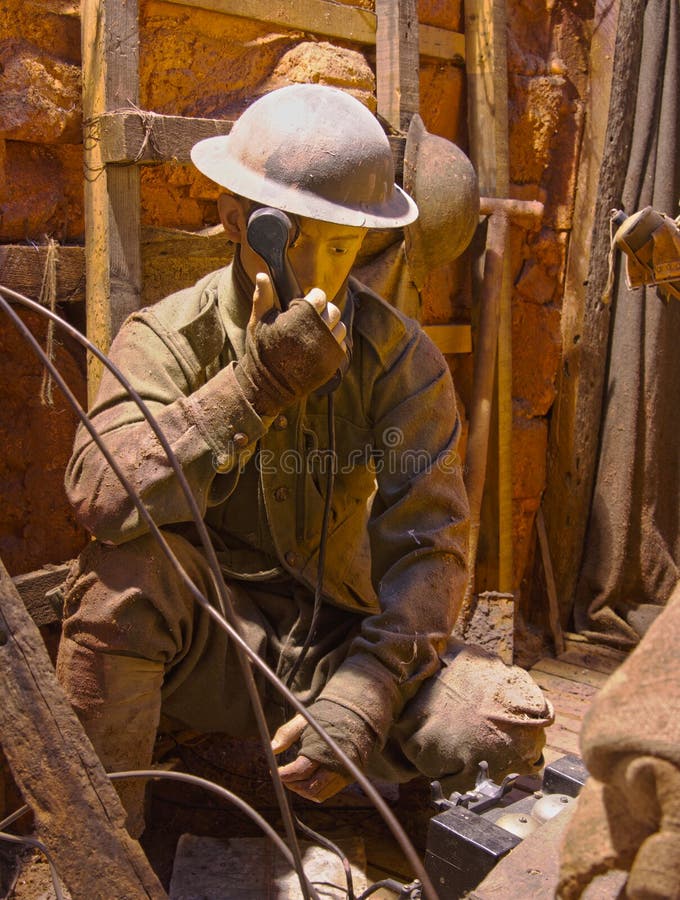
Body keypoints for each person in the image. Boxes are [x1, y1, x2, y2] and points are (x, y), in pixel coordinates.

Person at [56, 84, 553, 836]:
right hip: (218, 639)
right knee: (117, 582)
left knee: (497, 728)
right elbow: (99, 494)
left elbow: (433, 547)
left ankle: (346, 790)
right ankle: (98, 854)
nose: (322, 271)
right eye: (295, 237)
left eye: (344, 243)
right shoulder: (165, 337)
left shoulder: (399, 360)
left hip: (343, 644)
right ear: (235, 220)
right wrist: (253, 388)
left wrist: (365, 693)